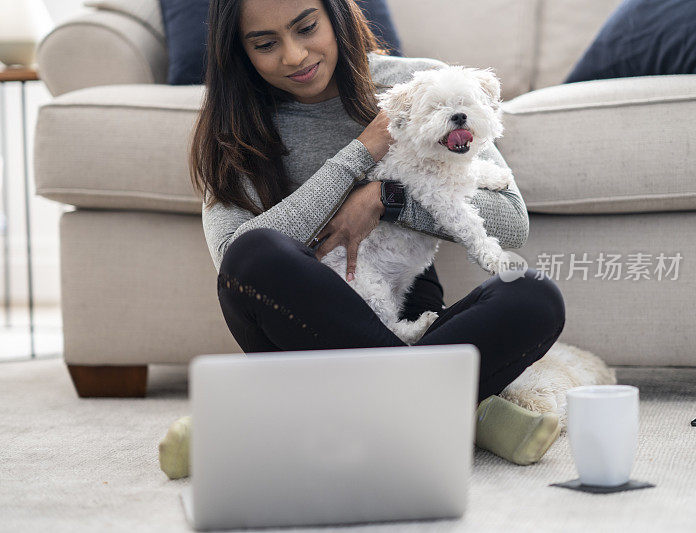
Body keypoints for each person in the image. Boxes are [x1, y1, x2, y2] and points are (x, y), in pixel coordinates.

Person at [185, 0, 567, 469]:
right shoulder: (236, 128)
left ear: (335, 16)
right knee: (254, 253)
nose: (294, 56)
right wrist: (361, 154)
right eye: (265, 44)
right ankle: (456, 415)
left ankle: (307, 424)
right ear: (240, 53)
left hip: (405, 303)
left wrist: (386, 198)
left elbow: (511, 220)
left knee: (533, 295)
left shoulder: (419, 85)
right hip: (307, 329)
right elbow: (232, 259)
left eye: (306, 28)